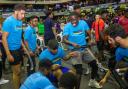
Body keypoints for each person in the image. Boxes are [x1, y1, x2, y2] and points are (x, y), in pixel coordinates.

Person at [63, 12, 101, 88]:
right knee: (79, 71)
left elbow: (88, 32)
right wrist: (72, 43)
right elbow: (64, 39)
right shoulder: (67, 27)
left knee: (95, 65)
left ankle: (92, 81)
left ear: (78, 18)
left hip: (84, 48)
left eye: (75, 19)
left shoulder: (83, 23)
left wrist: (90, 39)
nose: (73, 21)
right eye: (71, 20)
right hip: (75, 50)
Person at [2, 4, 25, 89]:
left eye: (24, 14)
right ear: (16, 12)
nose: (23, 16)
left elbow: (18, 36)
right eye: (21, 13)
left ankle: (18, 85)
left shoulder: (20, 21)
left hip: (19, 49)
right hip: (12, 50)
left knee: (18, 71)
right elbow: (4, 38)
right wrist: (8, 54)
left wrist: (24, 47)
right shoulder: (8, 21)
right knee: (16, 72)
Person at [0, 20, 9, 85]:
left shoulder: (2, 30)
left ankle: (1, 77)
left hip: (3, 46)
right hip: (1, 47)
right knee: (2, 59)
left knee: (4, 58)